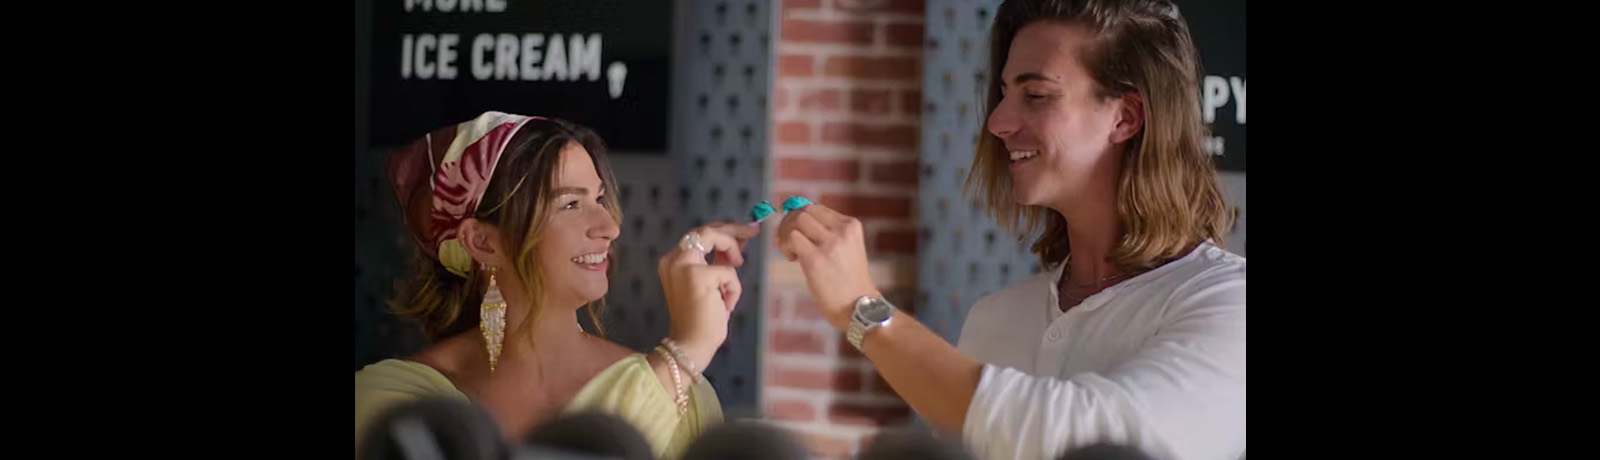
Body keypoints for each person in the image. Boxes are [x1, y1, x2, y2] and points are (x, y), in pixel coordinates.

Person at [771, 1, 1244, 459]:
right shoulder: (995, 319)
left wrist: (863, 312)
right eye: (1004, 93)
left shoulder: (1228, 303)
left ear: (1125, 117)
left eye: (1035, 95)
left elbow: (1088, 446)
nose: (997, 121)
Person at [355, 112, 759, 459]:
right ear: (483, 242)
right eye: (570, 204)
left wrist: (679, 363)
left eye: (599, 198)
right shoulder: (391, 401)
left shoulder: (688, 396)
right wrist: (682, 354)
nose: (609, 227)